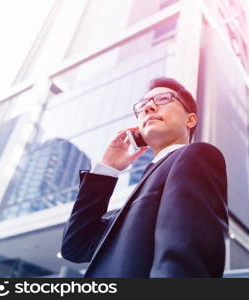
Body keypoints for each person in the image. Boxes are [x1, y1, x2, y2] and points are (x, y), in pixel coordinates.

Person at [60, 77, 229, 277]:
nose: (148, 107)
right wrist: (107, 170)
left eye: (163, 99)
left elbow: (185, 261)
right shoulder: (138, 196)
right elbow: (76, 246)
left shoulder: (196, 156)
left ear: (190, 119)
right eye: (142, 106)